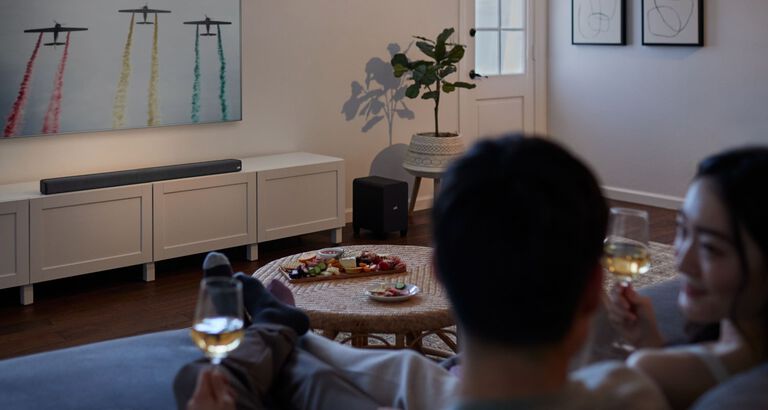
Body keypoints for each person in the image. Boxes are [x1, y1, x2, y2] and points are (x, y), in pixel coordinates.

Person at [176, 135, 669, 410]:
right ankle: (282, 327)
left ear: (437, 273)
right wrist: (649, 345)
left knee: (306, 370)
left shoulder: (419, 390)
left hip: (451, 389)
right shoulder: (635, 394)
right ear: (592, 288)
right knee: (409, 369)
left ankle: (279, 328)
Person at [606, 147, 768, 409]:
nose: (681, 261)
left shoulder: (648, 368)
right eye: (682, 229)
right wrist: (650, 341)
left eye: (710, 248)